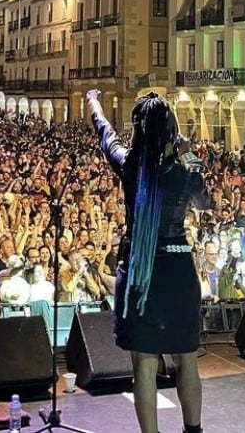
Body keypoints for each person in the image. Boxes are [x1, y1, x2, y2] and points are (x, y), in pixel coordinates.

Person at [87, 88, 209, 433]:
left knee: (143, 362)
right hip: (178, 269)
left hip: (142, 271)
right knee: (186, 358)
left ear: (138, 128)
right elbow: (205, 203)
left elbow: (104, 132)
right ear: (172, 128)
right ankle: (193, 430)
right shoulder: (186, 172)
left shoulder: (128, 165)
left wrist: (93, 101)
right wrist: (190, 157)